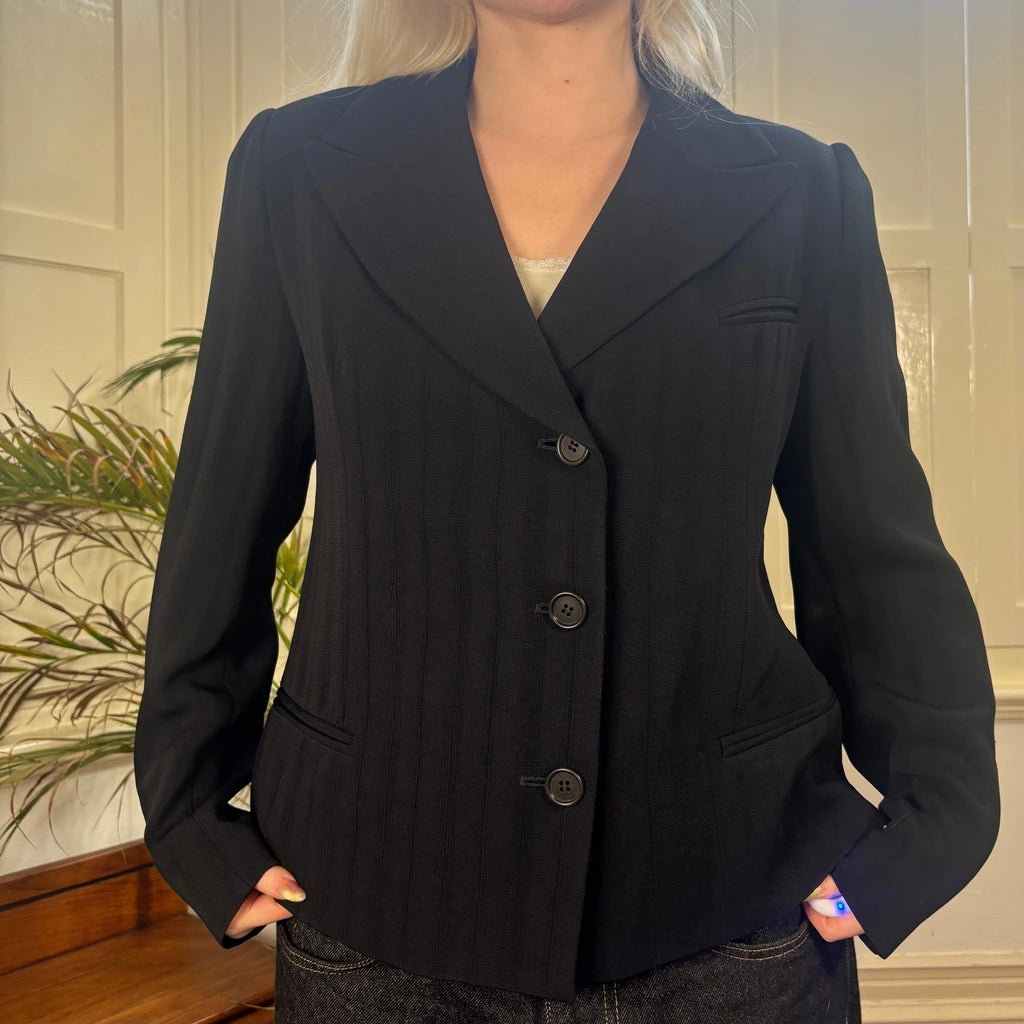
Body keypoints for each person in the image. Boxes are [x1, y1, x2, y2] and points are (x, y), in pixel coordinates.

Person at [133, 0, 1001, 1021]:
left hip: (732, 916)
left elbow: (871, 548)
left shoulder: (803, 192)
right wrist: (191, 815)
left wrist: (932, 825)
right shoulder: (297, 170)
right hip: (380, 909)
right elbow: (226, 509)